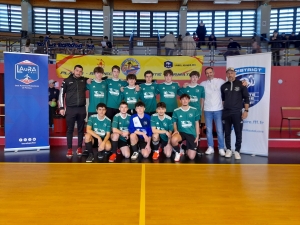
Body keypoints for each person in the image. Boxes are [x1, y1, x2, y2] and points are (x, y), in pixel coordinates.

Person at [59, 65, 88, 157]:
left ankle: (79, 147)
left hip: (81, 108)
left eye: (80, 71)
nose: (78, 72)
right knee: (70, 130)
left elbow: (98, 79)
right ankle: (69, 149)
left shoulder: (84, 80)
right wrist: (62, 108)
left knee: (80, 130)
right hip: (70, 109)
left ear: (82, 72)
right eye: (77, 70)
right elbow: (61, 94)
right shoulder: (66, 81)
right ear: (73, 71)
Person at [221, 67, 250, 160]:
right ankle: (228, 149)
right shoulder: (223, 86)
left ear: (235, 74)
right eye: (228, 73)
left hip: (237, 113)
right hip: (226, 113)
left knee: (238, 132)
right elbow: (223, 100)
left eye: (232, 73)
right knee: (227, 132)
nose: (230, 75)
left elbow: (246, 99)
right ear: (226, 74)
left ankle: (237, 150)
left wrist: (246, 111)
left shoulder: (241, 84)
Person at [199, 67, 225, 156]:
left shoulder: (220, 81)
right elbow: (197, 92)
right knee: (209, 130)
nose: (209, 74)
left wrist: (243, 82)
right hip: (207, 110)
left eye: (210, 72)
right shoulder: (202, 84)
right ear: (205, 74)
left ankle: (221, 148)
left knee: (220, 130)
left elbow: (230, 83)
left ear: (213, 72)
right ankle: (211, 147)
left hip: (218, 110)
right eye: (207, 73)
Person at [171, 94, 200, 162]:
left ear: (189, 100)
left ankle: (184, 148)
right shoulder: (176, 111)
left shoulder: (194, 110)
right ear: (180, 101)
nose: (185, 101)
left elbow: (197, 123)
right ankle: (178, 152)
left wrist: (197, 136)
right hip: (181, 132)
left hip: (191, 133)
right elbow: (174, 123)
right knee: (173, 140)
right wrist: (175, 130)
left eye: (186, 99)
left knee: (191, 157)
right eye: (183, 99)